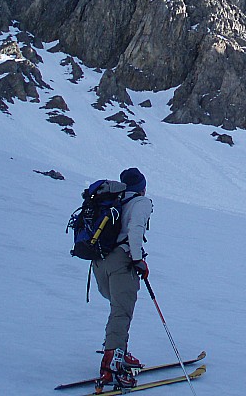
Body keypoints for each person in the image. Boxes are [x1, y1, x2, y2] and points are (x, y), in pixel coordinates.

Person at [92, 167, 153, 390]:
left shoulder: (113, 201)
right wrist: (138, 260)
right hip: (121, 260)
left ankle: (118, 350)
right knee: (121, 311)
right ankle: (112, 366)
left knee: (117, 309)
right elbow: (135, 229)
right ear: (141, 187)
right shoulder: (141, 203)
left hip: (99, 261)